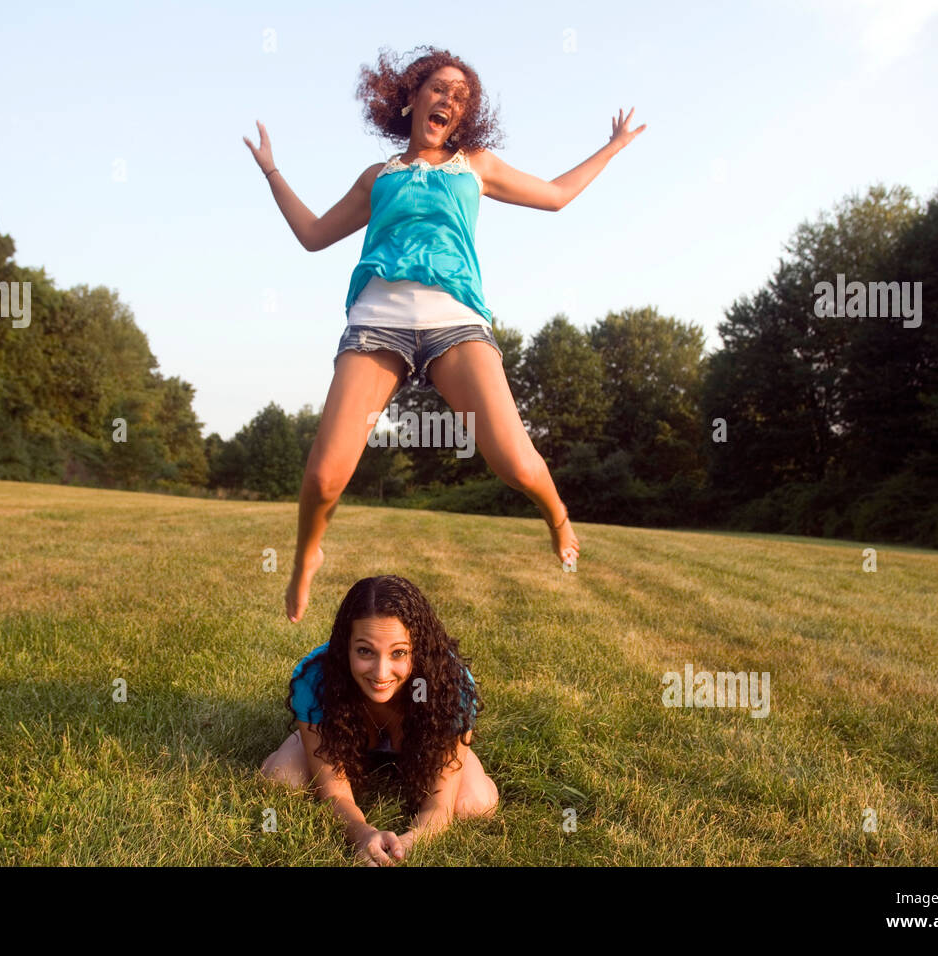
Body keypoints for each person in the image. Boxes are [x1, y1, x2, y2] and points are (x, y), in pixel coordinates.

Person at [243, 45, 646, 621]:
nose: (448, 101)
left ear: (464, 114)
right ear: (411, 97)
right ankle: (308, 554)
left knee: (514, 463)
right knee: (325, 475)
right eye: (439, 89)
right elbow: (312, 235)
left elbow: (556, 197)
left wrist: (613, 146)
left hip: (456, 323)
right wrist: (272, 172)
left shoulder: (474, 166)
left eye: (460, 97)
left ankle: (557, 515)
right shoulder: (378, 176)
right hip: (376, 326)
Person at [259, 575, 498, 866]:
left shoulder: (450, 686)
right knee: (282, 778)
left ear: (418, 649)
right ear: (345, 646)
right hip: (346, 745)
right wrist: (362, 834)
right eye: (365, 651)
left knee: (475, 804)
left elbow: (439, 809)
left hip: (421, 750)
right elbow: (335, 794)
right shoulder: (316, 678)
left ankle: (450, 756)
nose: (381, 673)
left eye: (398, 653)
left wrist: (411, 841)